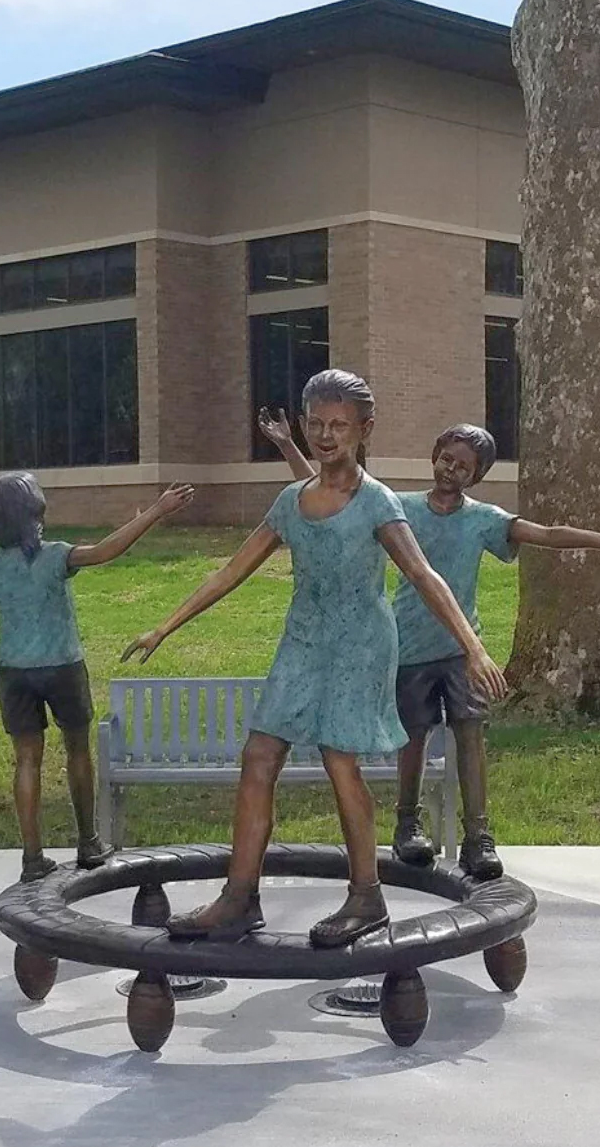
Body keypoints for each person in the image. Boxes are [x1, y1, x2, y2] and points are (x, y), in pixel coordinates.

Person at [122, 371, 507, 948]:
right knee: (258, 755)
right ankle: (238, 897)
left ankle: (366, 896)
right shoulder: (291, 501)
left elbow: (424, 577)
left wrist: (473, 648)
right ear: (304, 425)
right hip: (302, 641)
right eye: (317, 425)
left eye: (340, 426)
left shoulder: (376, 502)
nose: (327, 436)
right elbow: (232, 570)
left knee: (338, 759)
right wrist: (165, 626)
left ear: (364, 430)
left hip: (360, 644)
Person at [259, 412, 600, 879]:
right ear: (434, 459)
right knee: (414, 738)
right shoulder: (398, 506)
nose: (451, 470)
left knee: (471, 736)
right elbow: (325, 493)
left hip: (463, 653)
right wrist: (287, 444)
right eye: (446, 459)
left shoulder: (484, 520)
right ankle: (408, 824)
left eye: (463, 467)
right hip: (408, 650)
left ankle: (478, 836)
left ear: (476, 475)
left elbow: (544, 534)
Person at [0, 471, 195, 883]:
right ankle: (89, 843)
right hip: (62, 666)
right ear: (34, 514)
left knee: (26, 759)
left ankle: (31, 858)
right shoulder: (58, 555)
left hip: (12, 672)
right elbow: (106, 551)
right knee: (78, 750)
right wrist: (157, 511)